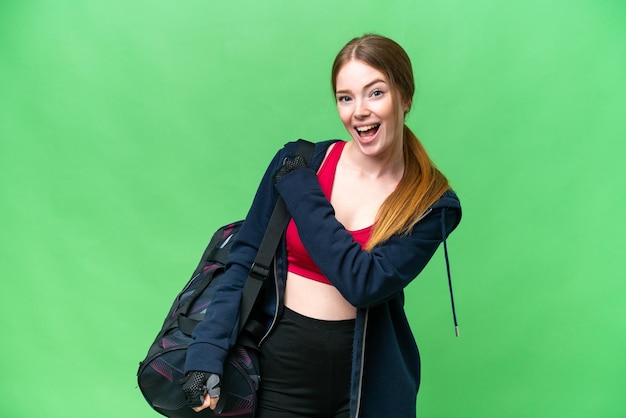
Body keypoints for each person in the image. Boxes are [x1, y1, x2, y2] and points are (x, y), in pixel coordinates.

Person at [181, 34, 462, 418]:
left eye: (375, 93)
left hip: (367, 390)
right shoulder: (300, 161)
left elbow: (363, 283)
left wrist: (301, 191)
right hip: (277, 380)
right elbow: (245, 260)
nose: (359, 111)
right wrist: (205, 353)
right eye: (346, 98)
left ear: (405, 97)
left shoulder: (431, 203)